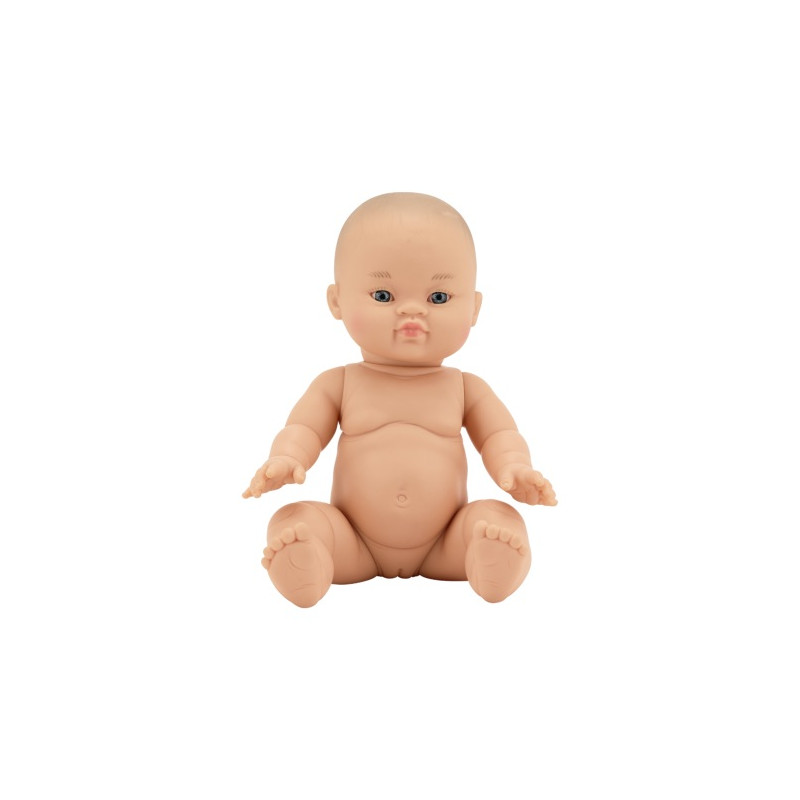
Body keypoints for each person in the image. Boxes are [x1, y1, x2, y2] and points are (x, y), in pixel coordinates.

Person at [244, 192, 556, 607]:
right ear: (337, 301)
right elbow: (303, 428)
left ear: (474, 308)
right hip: (353, 541)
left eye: (438, 298)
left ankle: (490, 563)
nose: (412, 312)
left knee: (498, 519)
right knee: (294, 519)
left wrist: (514, 467)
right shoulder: (339, 383)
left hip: (447, 541)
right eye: (383, 296)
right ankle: (311, 562)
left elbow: (500, 435)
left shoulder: (466, 388)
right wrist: (287, 458)